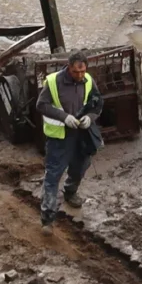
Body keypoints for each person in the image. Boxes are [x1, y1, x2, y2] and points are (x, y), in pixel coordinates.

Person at [34, 52, 103, 228]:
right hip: (60, 138)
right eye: (75, 72)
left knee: (80, 167)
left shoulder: (88, 80)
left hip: (81, 135)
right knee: (53, 175)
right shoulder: (53, 82)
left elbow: (97, 103)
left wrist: (90, 117)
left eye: (82, 72)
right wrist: (64, 117)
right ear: (68, 67)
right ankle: (47, 218)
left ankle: (70, 192)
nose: (80, 76)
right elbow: (41, 105)